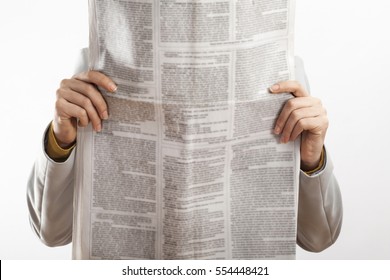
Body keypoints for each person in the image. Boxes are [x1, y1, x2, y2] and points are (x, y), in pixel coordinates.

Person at [27, 48, 342, 257]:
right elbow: (52, 232)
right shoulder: (99, 64)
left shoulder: (281, 70)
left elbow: (318, 239)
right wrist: (60, 139)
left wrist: (311, 159)